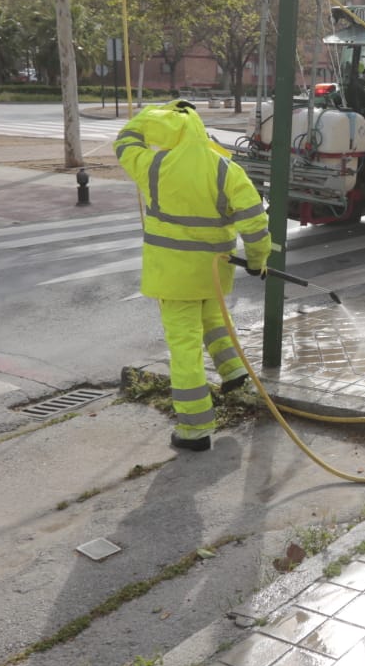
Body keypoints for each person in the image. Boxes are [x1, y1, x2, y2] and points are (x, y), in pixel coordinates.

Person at [113, 101, 272, 451]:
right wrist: (259, 259)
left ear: (171, 131)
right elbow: (255, 221)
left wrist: (155, 115)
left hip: (173, 277)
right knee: (215, 319)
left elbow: (124, 141)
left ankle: (195, 427)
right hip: (213, 274)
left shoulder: (154, 167)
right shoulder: (225, 169)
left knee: (184, 347)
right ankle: (234, 375)